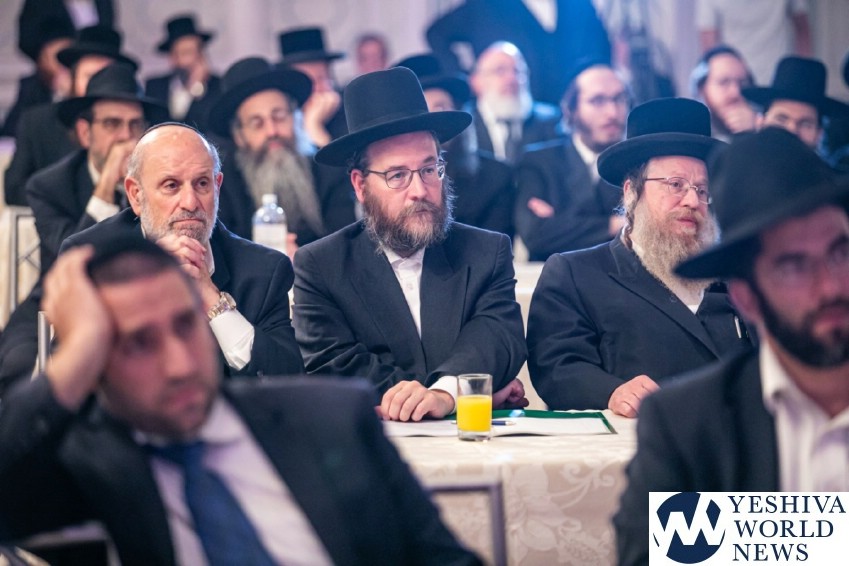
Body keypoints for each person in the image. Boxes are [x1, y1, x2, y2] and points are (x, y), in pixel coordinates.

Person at [0, 236, 482, 566]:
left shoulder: (331, 419)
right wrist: (79, 350)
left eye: (185, 325)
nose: (179, 365)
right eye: (138, 344)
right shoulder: (87, 467)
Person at [615, 127, 849, 566]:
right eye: (794, 266)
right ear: (747, 298)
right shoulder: (687, 425)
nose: (831, 287)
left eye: (841, 253)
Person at [0, 123, 303, 396]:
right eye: (171, 185)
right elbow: (73, 382)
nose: (190, 202)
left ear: (218, 186)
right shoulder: (91, 257)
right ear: (135, 195)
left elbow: (287, 383)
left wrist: (212, 298)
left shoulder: (264, 270)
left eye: (202, 184)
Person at [296, 67, 528, 422]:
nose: (419, 191)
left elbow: (497, 338)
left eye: (429, 169)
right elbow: (333, 364)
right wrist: (467, 397)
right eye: (397, 175)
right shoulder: (321, 265)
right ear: (360, 185)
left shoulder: (485, 252)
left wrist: (445, 395)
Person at [526, 98, 751, 417]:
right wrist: (611, 391)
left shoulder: (737, 278)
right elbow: (557, 368)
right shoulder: (575, 273)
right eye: (676, 185)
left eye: (702, 190)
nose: (692, 200)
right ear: (631, 191)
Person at [29, 62, 165, 275]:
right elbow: (73, 263)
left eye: (136, 124)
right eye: (112, 123)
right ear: (85, 133)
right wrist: (107, 185)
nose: (126, 136)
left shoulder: (161, 181)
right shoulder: (48, 188)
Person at [208, 57, 355, 249]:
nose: (272, 131)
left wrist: (304, 261)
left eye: (279, 116)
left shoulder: (329, 173)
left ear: (296, 118)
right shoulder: (223, 187)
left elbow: (347, 244)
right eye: (257, 124)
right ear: (240, 136)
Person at [4, 25, 137, 206]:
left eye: (106, 77)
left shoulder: (134, 126)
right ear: (73, 79)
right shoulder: (36, 121)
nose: (97, 87)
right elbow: (14, 189)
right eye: (90, 77)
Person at [515, 61, 628, 260]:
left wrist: (562, 222)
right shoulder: (538, 162)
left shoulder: (638, 165)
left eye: (619, 99)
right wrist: (615, 224)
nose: (612, 112)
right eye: (597, 101)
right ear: (570, 109)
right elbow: (536, 234)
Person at [396, 53, 515, 237]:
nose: (432, 120)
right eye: (423, 111)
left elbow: (492, 247)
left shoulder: (496, 176)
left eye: (440, 107)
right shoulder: (389, 184)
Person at [426, 0, 611, 105]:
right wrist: (466, 78)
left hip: (572, 109)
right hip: (512, 108)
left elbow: (601, 49)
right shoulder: (487, 6)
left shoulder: (579, 5)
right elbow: (437, 33)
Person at [467, 42, 561, 165]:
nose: (511, 79)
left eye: (518, 71)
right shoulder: (465, 126)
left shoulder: (552, 123)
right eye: (500, 71)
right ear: (476, 81)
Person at [743, 56, 849, 150]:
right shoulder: (737, 163)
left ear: (819, 134)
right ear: (760, 122)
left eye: (806, 124)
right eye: (781, 119)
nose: (792, 130)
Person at [697, 0, 811, 85]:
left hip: (781, 77)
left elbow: (802, 28)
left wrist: (803, 73)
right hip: (738, 81)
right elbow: (709, 48)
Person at [144, 14, 222, 135]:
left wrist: (197, 88)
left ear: (201, 54)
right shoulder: (155, 87)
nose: (187, 61)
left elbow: (207, 129)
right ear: (172, 57)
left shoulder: (218, 87)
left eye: (189, 52)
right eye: (181, 53)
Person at [1, 16, 74, 138]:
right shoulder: (31, 87)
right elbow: (12, 130)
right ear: (43, 59)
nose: (63, 63)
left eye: (67, 55)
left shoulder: (84, 84)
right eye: (57, 56)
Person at [277, 27, 348, 147]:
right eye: (306, 83)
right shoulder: (280, 126)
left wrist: (315, 127)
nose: (316, 89)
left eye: (321, 78)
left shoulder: (350, 119)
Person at [690, 45, 757, 142]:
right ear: (701, 89)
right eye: (724, 82)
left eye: (742, 83)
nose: (736, 92)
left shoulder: (761, 125)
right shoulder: (692, 138)